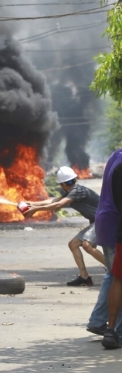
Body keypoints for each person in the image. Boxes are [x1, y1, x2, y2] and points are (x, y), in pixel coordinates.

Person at [24, 166, 104, 286]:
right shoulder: (71, 191)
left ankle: (114, 270)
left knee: (87, 245)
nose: (70, 184)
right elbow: (54, 201)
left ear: (61, 184)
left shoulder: (77, 191)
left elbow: (58, 205)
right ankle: (84, 277)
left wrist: (36, 209)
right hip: (96, 221)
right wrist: (32, 204)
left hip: (102, 220)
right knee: (73, 244)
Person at [83, 149, 122, 347]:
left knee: (113, 275)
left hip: (107, 221)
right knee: (118, 278)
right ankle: (115, 330)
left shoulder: (116, 155)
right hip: (116, 223)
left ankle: (99, 322)